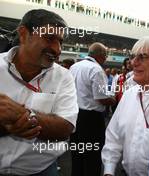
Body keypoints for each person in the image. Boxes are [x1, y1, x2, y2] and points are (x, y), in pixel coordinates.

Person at [0, 9, 78, 175]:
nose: (57, 50)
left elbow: (65, 127)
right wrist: (11, 125)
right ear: (23, 33)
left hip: (42, 171)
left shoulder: (63, 77)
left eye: (60, 42)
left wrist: (22, 116)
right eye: (49, 38)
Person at [102, 36, 149, 176]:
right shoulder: (129, 95)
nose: (133, 63)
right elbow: (113, 137)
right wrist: (109, 170)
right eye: (133, 56)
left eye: (142, 57)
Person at [70, 42, 116, 176]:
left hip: (75, 115)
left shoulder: (74, 66)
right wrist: (113, 99)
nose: (106, 59)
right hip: (91, 120)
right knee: (92, 156)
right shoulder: (96, 69)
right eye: (106, 55)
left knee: (77, 154)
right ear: (100, 56)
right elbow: (101, 98)